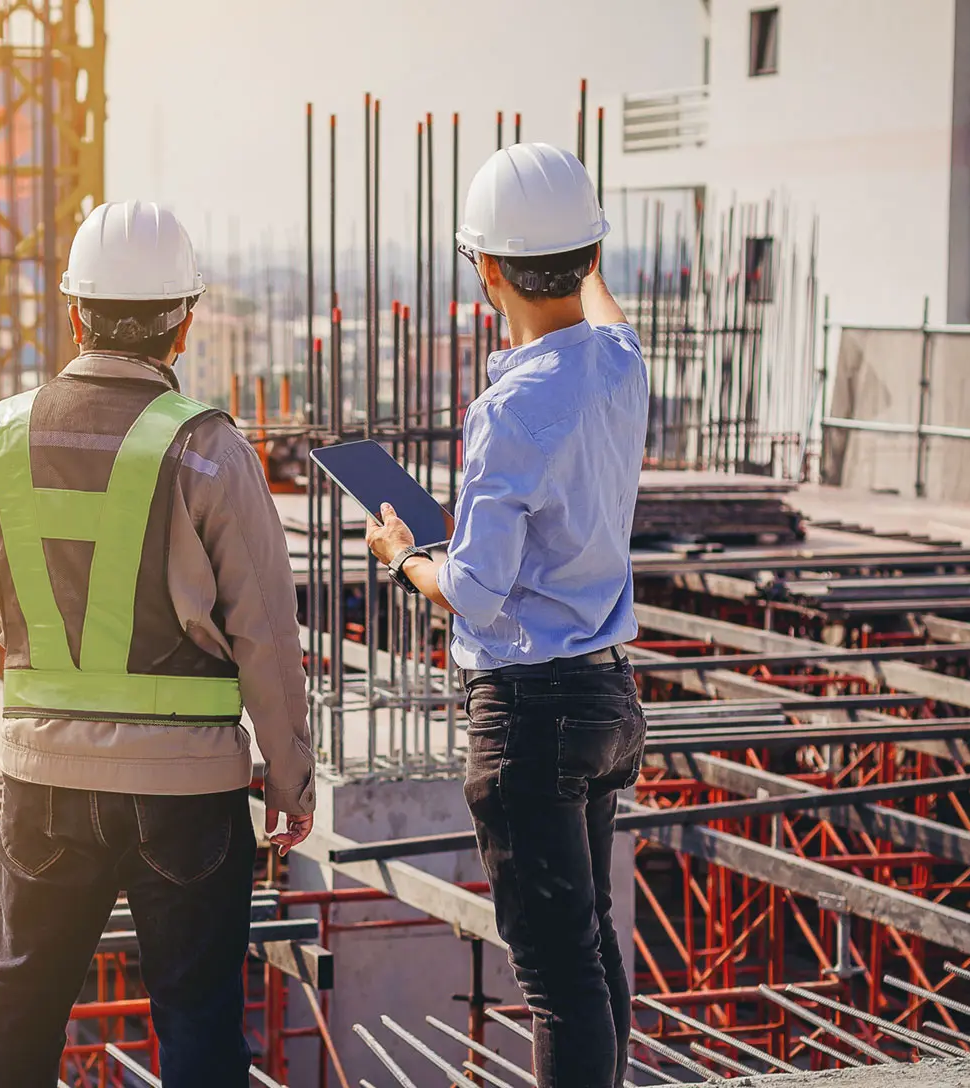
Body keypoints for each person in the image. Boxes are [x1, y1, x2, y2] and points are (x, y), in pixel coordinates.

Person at [0, 200, 316, 1087]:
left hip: (43, 782)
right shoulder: (209, 450)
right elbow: (266, 634)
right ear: (182, 326)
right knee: (196, 1025)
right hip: (187, 795)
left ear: (76, 313)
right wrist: (291, 773)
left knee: (22, 1007)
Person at [365, 143, 648, 1088]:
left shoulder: (512, 407)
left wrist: (403, 555)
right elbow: (605, 308)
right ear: (587, 253)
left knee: (556, 972)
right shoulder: (619, 366)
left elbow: (477, 591)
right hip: (609, 700)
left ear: (485, 269)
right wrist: (581, 244)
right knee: (591, 947)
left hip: (531, 713)